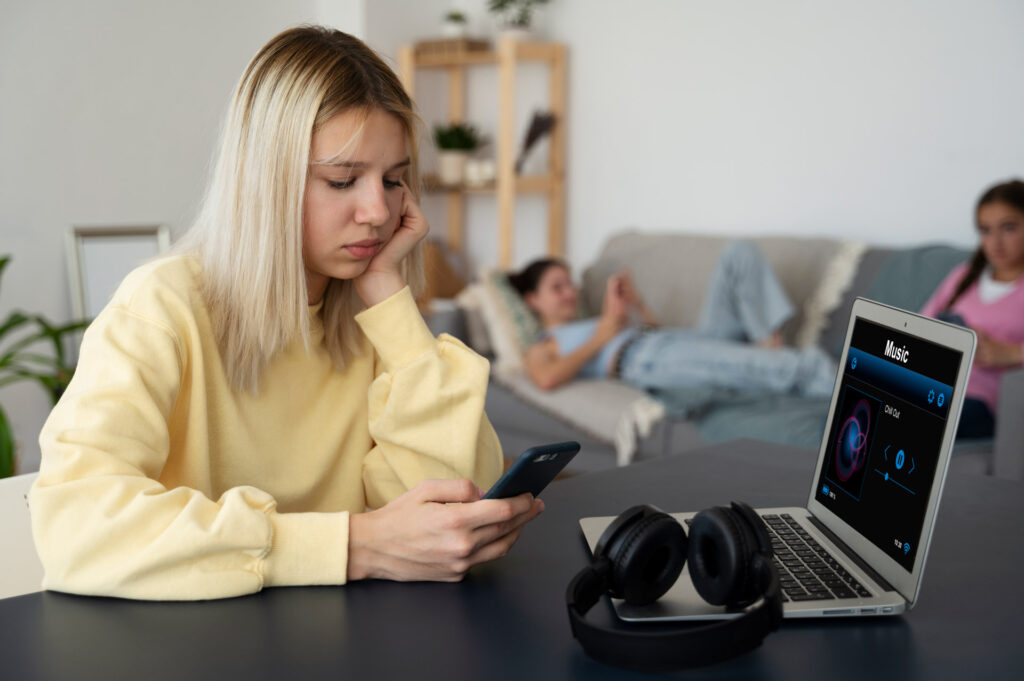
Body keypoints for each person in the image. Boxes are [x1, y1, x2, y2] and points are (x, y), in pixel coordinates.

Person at [29, 26, 542, 601]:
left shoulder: (370, 311)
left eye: (395, 180)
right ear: (263, 183)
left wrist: (392, 303)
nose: (377, 210)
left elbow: (444, 505)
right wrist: (352, 545)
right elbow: (75, 528)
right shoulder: (160, 307)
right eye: (343, 180)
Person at [508, 241, 837, 399]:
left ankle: (766, 348)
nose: (569, 293)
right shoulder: (543, 345)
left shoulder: (599, 320)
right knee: (798, 367)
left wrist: (637, 305)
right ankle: (846, 394)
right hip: (646, 360)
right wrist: (604, 333)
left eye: (569, 284)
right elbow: (547, 379)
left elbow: (655, 333)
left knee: (739, 255)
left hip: (671, 341)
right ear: (533, 300)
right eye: (557, 288)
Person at [920, 179, 1024, 439]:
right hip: (935, 384)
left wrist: (1012, 353)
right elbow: (920, 326)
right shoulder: (962, 276)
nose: (996, 242)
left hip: (982, 401)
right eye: (986, 230)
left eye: (1008, 228)